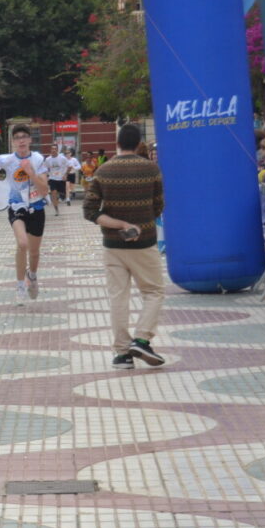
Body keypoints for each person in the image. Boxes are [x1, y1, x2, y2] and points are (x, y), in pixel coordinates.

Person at [83, 123, 166, 370]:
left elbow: (89, 211)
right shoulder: (151, 169)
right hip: (144, 243)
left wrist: (120, 224)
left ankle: (122, 353)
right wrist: (138, 221)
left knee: (118, 297)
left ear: (117, 143)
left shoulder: (103, 171)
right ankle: (141, 339)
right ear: (139, 143)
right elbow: (158, 206)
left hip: (113, 245)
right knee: (153, 292)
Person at [0, 125, 49, 304]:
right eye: (17, 137)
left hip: (37, 208)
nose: (21, 140)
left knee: (34, 252)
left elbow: (44, 189)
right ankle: (19, 286)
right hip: (17, 207)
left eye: (24, 137)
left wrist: (31, 172)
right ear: (13, 142)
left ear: (30, 140)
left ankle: (31, 276)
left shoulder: (38, 159)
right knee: (22, 244)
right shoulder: (7, 161)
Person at [43, 144, 69, 215]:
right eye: (52, 149)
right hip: (52, 179)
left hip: (61, 179)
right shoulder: (48, 159)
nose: (53, 150)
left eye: (55, 149)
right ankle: (56, 210)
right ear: (50, 150)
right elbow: (45, 169)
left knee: (62, 194)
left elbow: (69, 166)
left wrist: (65, 175)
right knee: (53, 193)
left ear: (57, 150)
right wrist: (47, 176)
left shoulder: (62, 158)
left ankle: (62, 197)